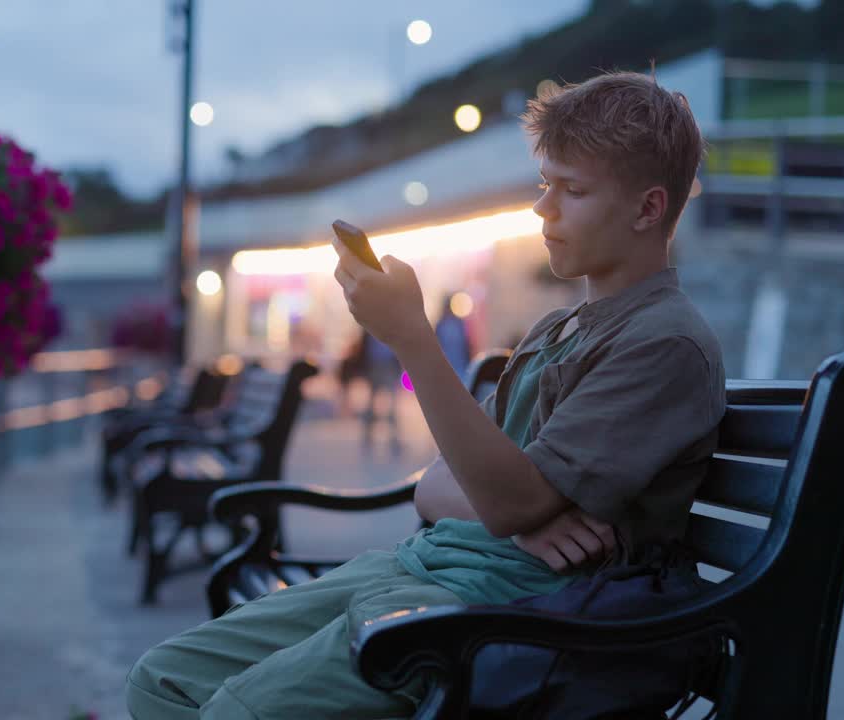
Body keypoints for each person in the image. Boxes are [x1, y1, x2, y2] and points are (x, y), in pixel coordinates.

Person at [125, 70, 725, 719]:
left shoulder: (663, 344)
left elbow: (506, 498)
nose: (543, 209)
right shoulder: (561, 328)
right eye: (544, 184)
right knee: (161, 681)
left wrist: (412, 338)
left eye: (572, 190)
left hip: (498, 611)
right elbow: (434, 489)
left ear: (648, 208)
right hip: (425, 566)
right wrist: (525, 521)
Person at [359, 330, 403, 455]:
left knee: (392, 407)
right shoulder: (368, 329)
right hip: (375, 367)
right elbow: (364, 349)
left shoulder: (389, 326)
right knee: (372, 406)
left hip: (387, 367)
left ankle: (394, 440)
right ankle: (368, 438)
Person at [433, 294, 472, 380]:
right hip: (459, 369)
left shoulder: (441, 324)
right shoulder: (458, 324)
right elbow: (467, 346)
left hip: (450, 368)